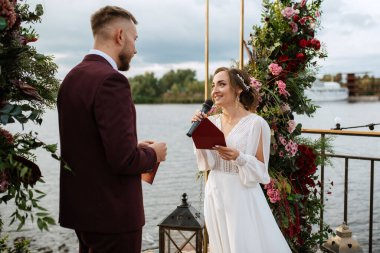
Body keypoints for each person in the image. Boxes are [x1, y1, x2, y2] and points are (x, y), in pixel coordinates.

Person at [57, 6, 167, 253]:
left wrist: (133, 148)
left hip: (83, 215)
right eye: (134, 39)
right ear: (120, 36)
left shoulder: (71, 78)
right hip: (113, 216)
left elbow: (88, 145)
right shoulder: (112, 81)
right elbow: (123, 161)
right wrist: (154, 154)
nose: (136, 48)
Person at [192, 67, 291, 253]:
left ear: (238, 89)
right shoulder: (211, 122)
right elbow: (207, 163)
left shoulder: (256, 123)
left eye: (222, 84)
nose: (215, 90)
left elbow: (262, 171)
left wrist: (240, 158)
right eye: (213, 85)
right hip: (215, 190)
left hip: (241, 195)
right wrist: (198, 130)